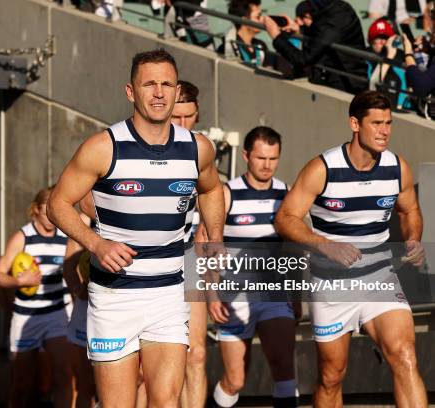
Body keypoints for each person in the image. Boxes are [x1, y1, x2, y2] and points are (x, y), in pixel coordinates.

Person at [47, 49, 225, 408]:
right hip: (114, 299)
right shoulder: (103, 147)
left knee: (165, 401)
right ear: (131, 92)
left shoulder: (197, 149)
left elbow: (212, 189)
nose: (159, 93)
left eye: (167, 84)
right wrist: (96, 244)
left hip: (169, 296)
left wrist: (214, 242)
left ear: (177, 92)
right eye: (149, 84)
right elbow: (56, 204)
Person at [274, 90, 427, 407]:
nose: (384, 131)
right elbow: (286, 218)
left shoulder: (397, 167)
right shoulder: (323, 168)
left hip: (380, 278)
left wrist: (413, 238)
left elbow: (409, 211)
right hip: (332, 286)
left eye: (388, 123)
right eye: (376, 123)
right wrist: (325, 245)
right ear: (355, 124)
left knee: (405, 356)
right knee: (332, 375)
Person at [208, 127, 300, 408]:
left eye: (273, 158)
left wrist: (296, 297)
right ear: (246, 155)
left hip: (273, 293)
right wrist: (212, 294)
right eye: (261, 158)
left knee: (284, 368)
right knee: (235, 380)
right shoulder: (227, 193)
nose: (267, 165)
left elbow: (293, 249)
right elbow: (209, 244)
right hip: (234, 297)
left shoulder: (287, 194)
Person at [0, 186, 72, 408]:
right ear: (36, 210)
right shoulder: (22, 237)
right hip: (27, 317)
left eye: (54, 210)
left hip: (56, 315)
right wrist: (19, 282)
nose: (50, 216)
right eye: (46, 210)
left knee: (64, 376)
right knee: (21, 382)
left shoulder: (66, 236)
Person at [168, 79, 209, 408]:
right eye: (176, 117)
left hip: (189, 260)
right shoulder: (137, 144)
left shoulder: (201, 150)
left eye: (189, 117)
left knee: (195, 354)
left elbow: (213, 201)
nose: (182, 125)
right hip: (144, 264)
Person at [263, 0, 367, 94]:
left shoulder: (332, 21)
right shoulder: (337, 8)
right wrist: (300, 30)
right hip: (346, 81)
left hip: (347, 87)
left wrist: (276, 36)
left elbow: (303, 59)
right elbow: (320, 37)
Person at [64, 212, 97, 408]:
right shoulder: (84, 220)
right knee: (86, 383)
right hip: (86, 307)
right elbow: (69, 266)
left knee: (138, 379)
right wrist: (78, 290)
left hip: (123, 304)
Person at [366, 19, 411, 110]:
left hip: (403, 109)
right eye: (379, 37)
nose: (383, 42)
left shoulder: (399, 56)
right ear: (371, 40)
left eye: (386, 38)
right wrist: (389, 55)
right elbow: (373, 85)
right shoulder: (365, 56)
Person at [223, 0, 275, 67]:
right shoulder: (228, 46)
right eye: (258, 17)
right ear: (244, 20)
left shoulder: (261, 45)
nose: (262, 20)